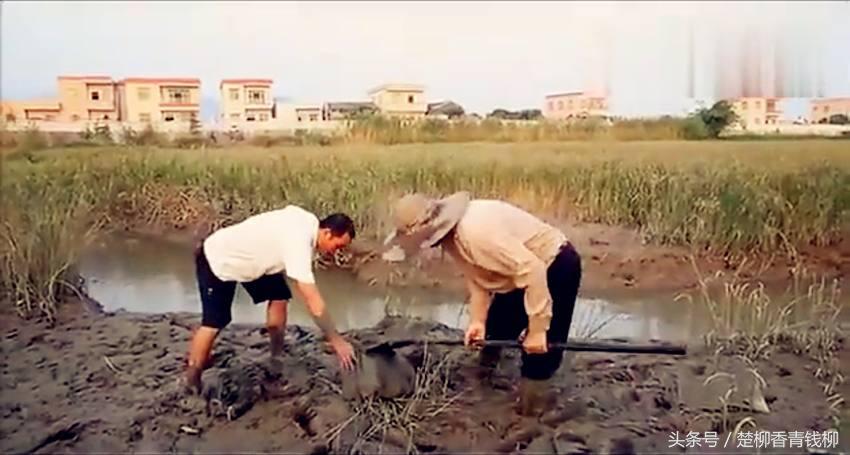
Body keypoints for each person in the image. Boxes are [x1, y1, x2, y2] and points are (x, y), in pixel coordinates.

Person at [384, 192, 582, 415]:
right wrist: (477, 320)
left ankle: (532, 405)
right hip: (517, 272)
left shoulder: (476, 232)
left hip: (553, 265)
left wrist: (537, 330)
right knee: (496, 328)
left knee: (540, 350)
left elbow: (533, 269)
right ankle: (484, 380)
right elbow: (477, 274)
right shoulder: (451, 237)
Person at [185, 206, 358, 394]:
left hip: (256, 260)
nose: (335, 253)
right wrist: (337, 341)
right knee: (215, 322)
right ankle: (192, 378)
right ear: (327, 233)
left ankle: (276, 357)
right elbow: (312, 300)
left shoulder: (307, 221)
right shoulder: (299, 242)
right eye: (338, 246)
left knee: (279, 297)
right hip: (219, 258)